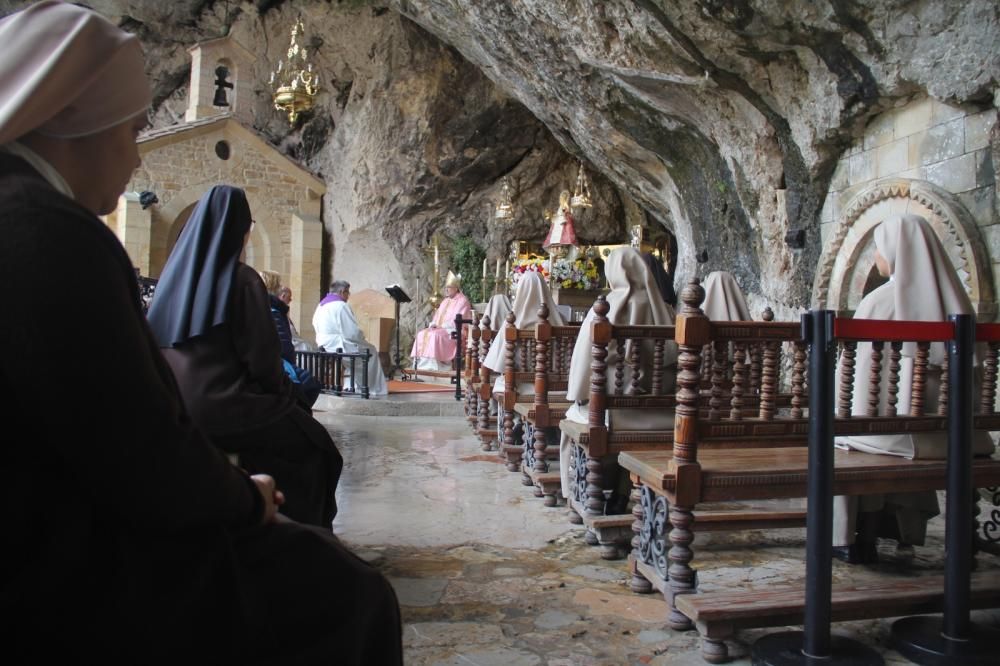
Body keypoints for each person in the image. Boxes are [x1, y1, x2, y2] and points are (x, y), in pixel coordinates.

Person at [0, 3, 401, 663]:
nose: (134, 157)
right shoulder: (47, 232)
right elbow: (137, 448)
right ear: (78, 119)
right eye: (130, 131)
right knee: (346, 594)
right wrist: (245, 498)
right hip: (43, 559)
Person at [147, 185, 341, 528]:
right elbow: (263, 361)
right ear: (241, 231)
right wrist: (288, 395)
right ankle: (305, 538)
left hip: (173, 407)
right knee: (318, 448)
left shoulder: (168, 282)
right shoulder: (241, 279)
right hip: (227, 406)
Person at [831, 213, 995, 564]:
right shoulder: (958, 303)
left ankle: (850, 538)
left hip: (901, 436)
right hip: (963, 438)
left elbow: (858, 383)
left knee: (841, 439)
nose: (876, 257)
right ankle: (925, 534)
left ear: (895, 251)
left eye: (878, 248)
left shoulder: (879, 301)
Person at [559, 247, 678, 511]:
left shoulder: (604, 308)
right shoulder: (666, 311)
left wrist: (577, 396)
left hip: (612, 412)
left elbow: (582, 362)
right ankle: (624, 491)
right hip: (663, 412)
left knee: (572, 418)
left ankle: (588, 492)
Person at [312, 279, 389, 396]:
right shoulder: (340, 305)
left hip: (324, 343)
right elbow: (351, 333)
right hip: (337, 345)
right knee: (371, 351)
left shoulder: (321, 305)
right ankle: (372, 388)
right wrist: (362, 337)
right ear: (342, 291)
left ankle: (350, 385)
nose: (348, 296)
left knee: (362, 349)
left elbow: (315, 324)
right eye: (348, 293)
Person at [411, 270, 473, 371]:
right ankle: (421, 365)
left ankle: (435, 366)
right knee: (422, 334)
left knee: (435, 336)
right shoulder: (445, 300)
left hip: (454, 331)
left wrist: (442, 326)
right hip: (440, 328)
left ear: (456, 288)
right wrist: (434, 324)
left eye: (448, 287)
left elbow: (459, 321)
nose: (446, 290)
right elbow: (437, 316)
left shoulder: (463, 301)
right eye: (446, 287)